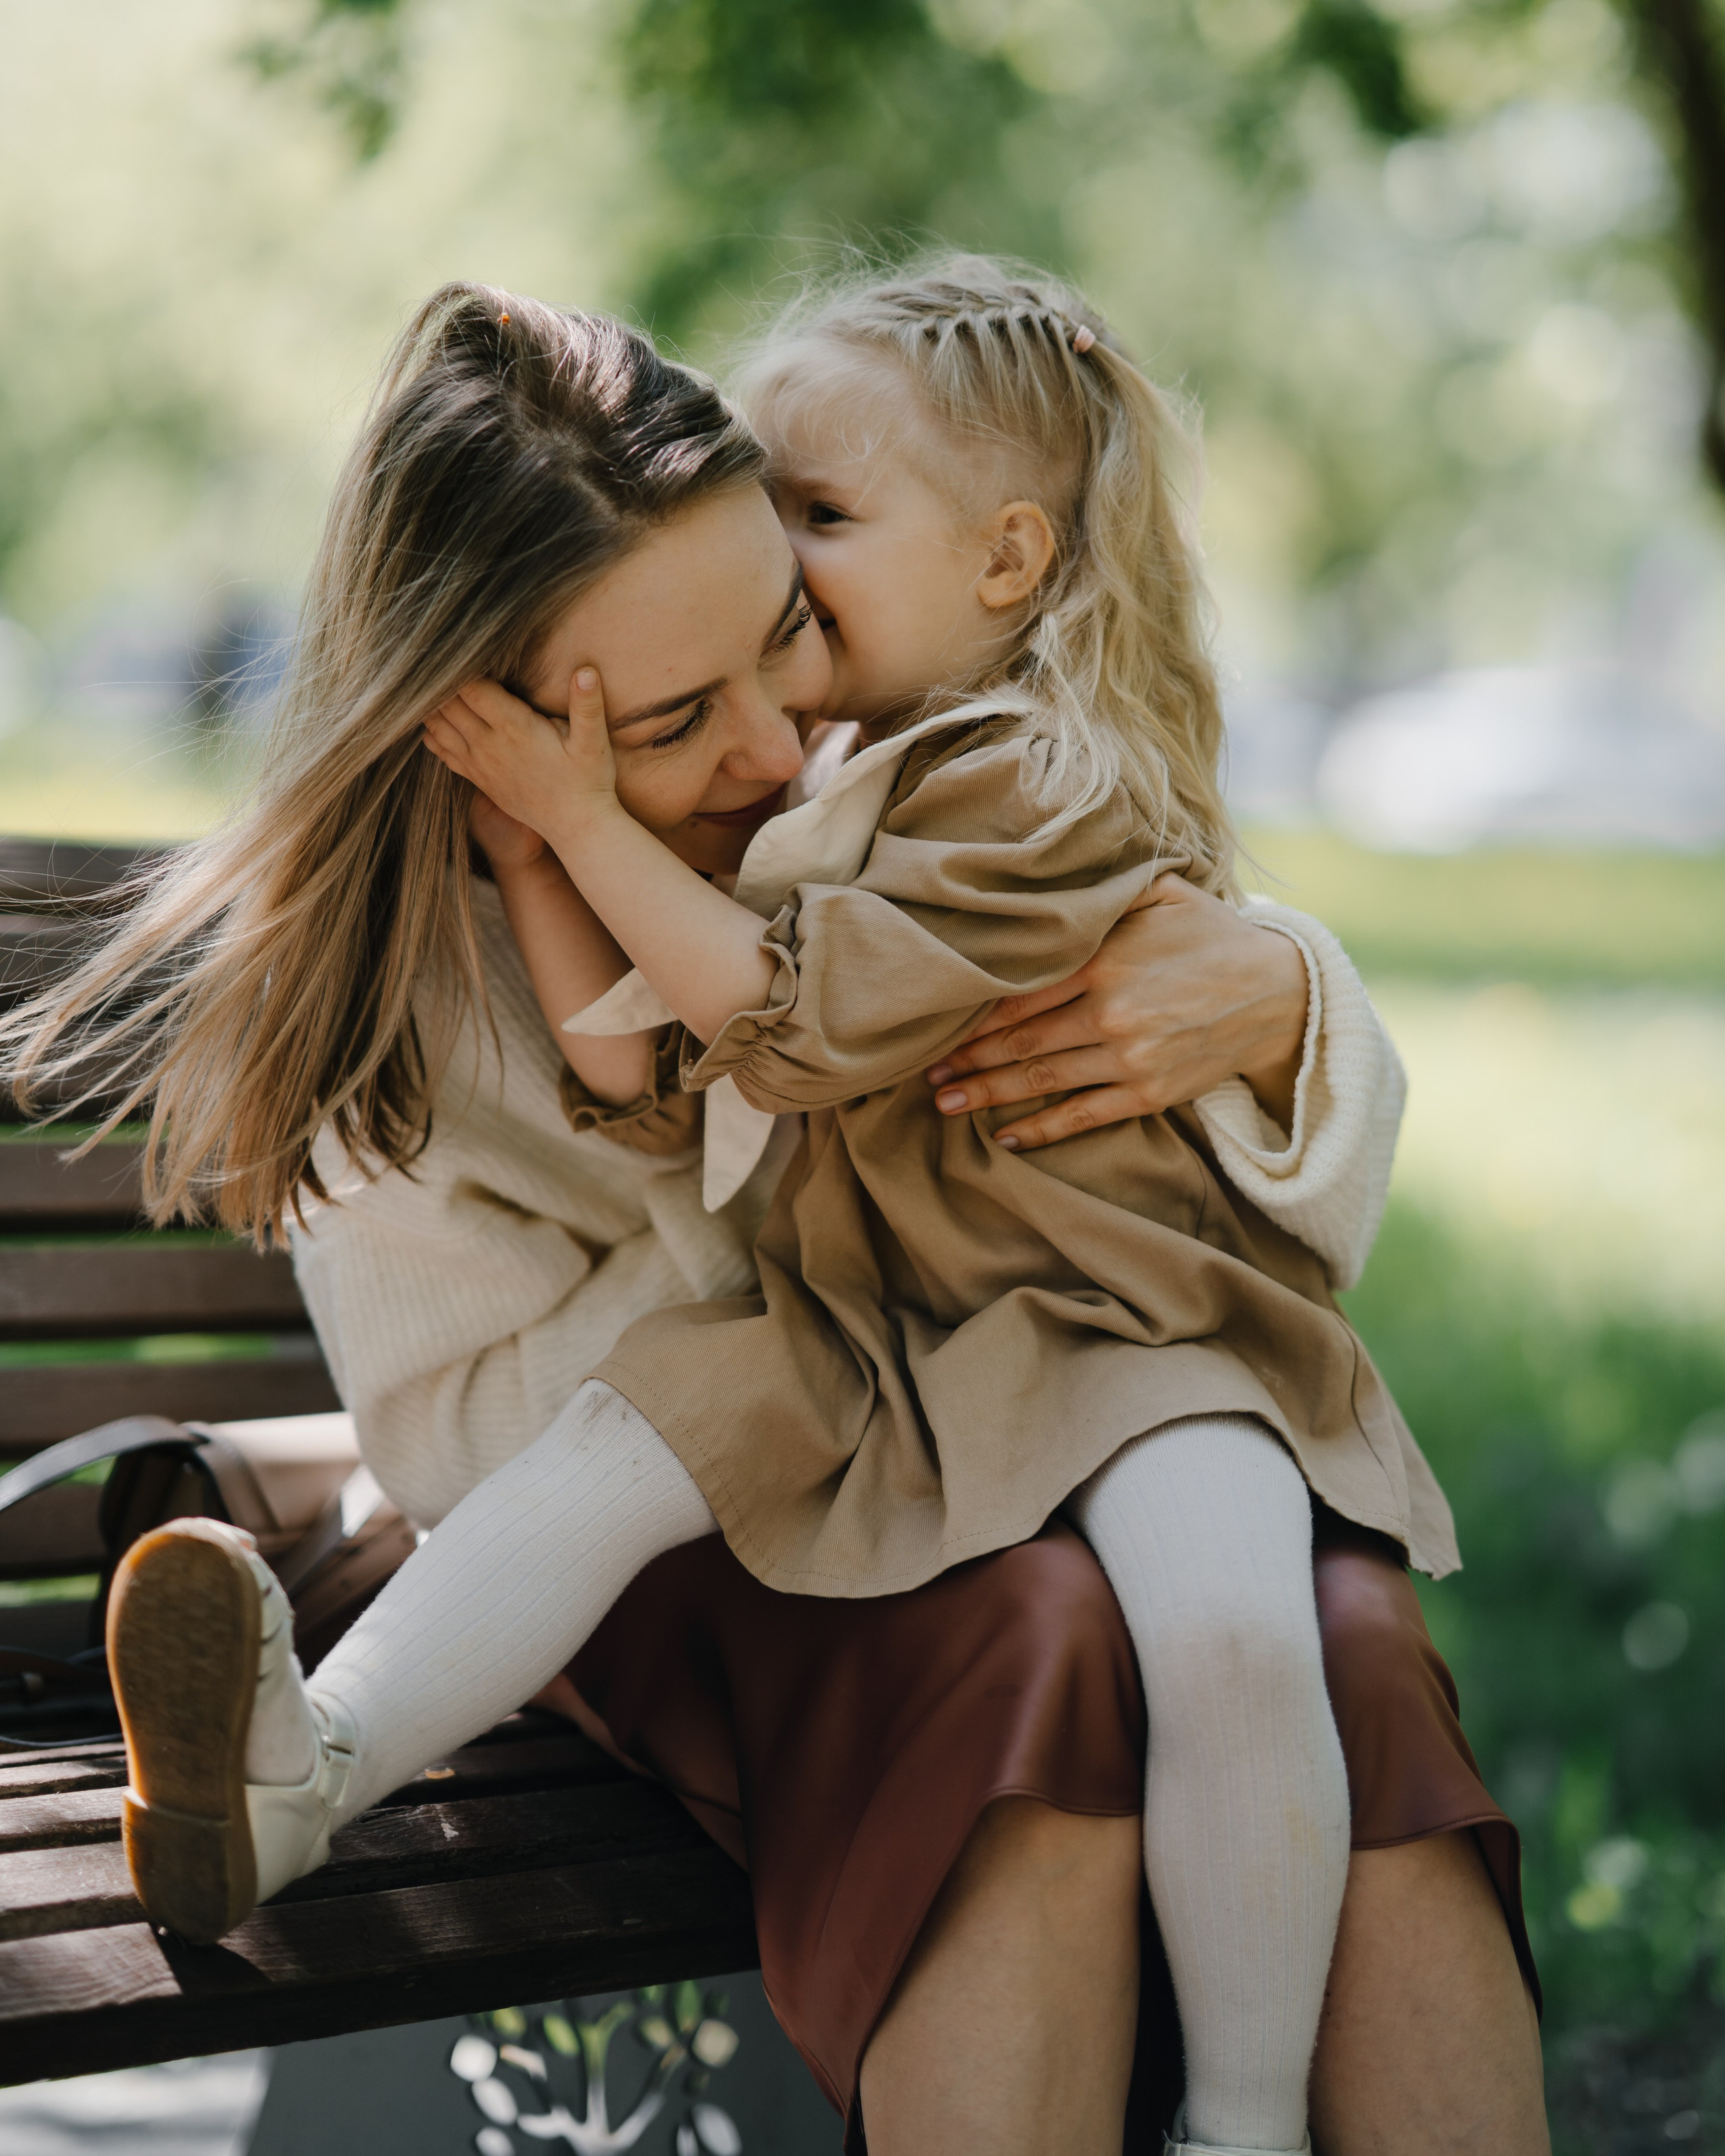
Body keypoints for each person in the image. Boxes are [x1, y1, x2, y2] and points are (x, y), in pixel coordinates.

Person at [5, 276, 1544, 2155]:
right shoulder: (396, 985)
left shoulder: (868, 779)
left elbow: (1107, 1011)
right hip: (654, 1521)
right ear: (483, 730)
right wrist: (858, 1322)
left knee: (1339, 1638)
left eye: (786, 629)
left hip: (977, 1391)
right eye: (675, 719)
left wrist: (1292, 993)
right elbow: (464, 1435)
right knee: (1036, 1636)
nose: (773, 742)